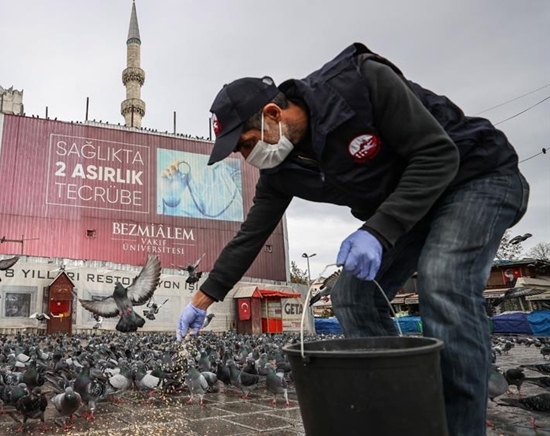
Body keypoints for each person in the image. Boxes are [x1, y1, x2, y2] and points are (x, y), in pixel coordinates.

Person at [176, 42, 529, 435]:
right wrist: (202, 299)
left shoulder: (358, 85)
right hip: (415, 208)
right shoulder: (282, 172)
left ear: (272, 114)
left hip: (477, 175)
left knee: (442, 279)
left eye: (245, 144)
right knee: (350, 295)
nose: (246, 157)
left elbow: (437, 155)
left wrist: (378, 231)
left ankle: (461, 427)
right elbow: (251, 236)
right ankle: (406, 410)